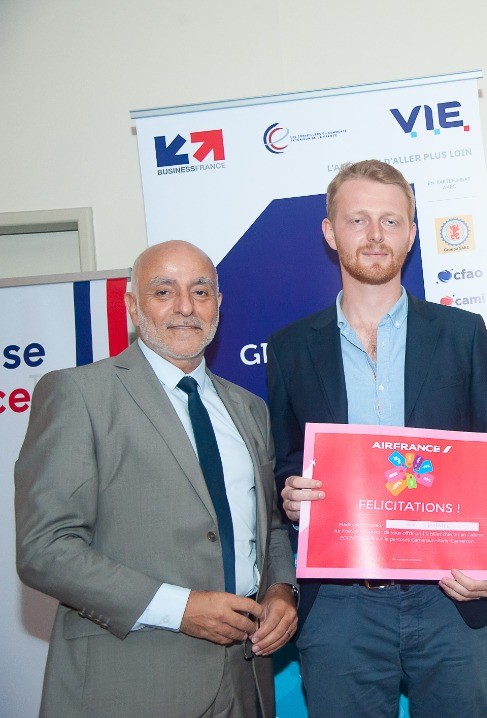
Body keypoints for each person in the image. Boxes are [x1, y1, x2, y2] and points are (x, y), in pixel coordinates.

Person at [14, 240, 298, 718]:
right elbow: (46, 549)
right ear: (132, 305)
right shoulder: (78, 394)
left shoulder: (249, 409)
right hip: (130, 680)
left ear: (219, 304)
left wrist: (282, 591)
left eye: (201, 291)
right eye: (163, 291)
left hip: (246, 678)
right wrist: (180, 608)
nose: (186, 307)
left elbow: (267, 526)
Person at [268, 159, 487, 718]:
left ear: (412, 234)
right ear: (330, 233)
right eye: (357, 221)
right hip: (340, 608)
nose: (375, 236)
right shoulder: (290, 347)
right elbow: (283, 463)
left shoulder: (462, 335)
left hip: (450, 597)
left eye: (391, 221)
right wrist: (291, 493)